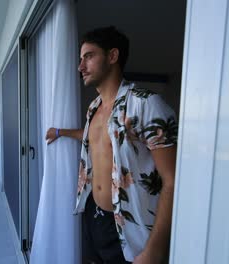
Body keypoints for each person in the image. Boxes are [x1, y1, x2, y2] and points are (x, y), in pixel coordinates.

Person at [45, 26, 177, 264]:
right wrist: (60, 132)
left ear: (113, 56)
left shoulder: (146, 104)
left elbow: (173, 180)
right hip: (93, 216)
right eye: (80, 59)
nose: (80, 66)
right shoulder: (94, 107)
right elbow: (94, 138)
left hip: (127, 227)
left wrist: (154, 251)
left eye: (89, 56)